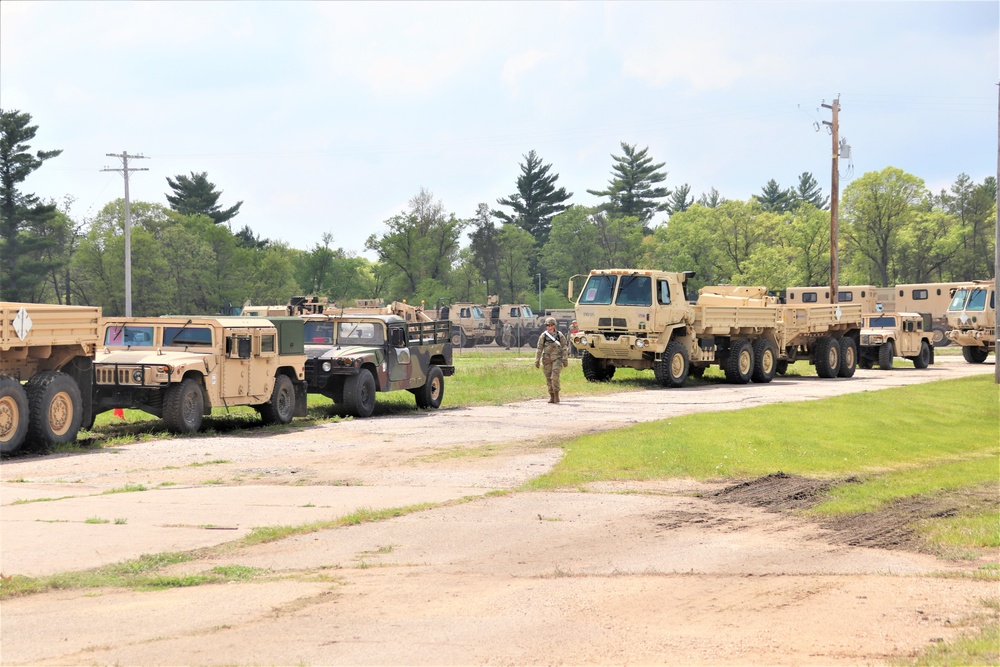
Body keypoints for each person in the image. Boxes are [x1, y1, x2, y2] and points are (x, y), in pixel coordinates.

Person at [535, 316, 569, 403]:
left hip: (557, 359)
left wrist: (565, 359)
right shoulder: (544, 336)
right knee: (548, 377)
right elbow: (539, 348)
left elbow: (564, 346)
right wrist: (537, 359)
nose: (549, 327)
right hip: (547, 360)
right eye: (547, 325)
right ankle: (552, 395)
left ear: (554, 325)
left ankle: (557, 395)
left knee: (555, 377)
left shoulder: (559, 335)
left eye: (551, 325)